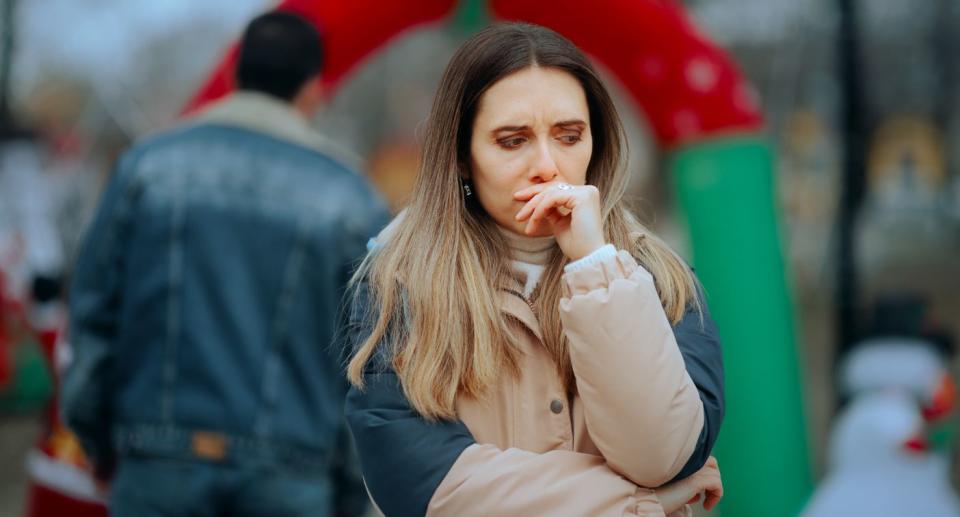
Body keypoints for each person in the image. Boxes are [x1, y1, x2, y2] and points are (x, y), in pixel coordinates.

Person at [343, 22, 724, 516]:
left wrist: (595, 265)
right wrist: (642, 505)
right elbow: (428, 490)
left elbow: (662, 455)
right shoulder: (396, 287)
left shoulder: (662, 279)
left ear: (598, 142)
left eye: (569, 136)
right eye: (512, 140)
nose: (547, 165)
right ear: (461, 156)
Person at [61, 11, 387, 517]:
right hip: (294, 472)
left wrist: (97, 436)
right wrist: (352, 486)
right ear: (313, 89)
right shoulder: (350, 199)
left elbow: (93, 313)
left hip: (156, 457)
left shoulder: (147, 168)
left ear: (236, 72)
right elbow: (366, 355)